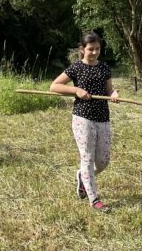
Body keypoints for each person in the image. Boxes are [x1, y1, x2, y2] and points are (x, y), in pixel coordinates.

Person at [49, 31, 118, 212]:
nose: (94, 52)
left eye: (97, 49)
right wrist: (76, 90)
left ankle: (82, 177)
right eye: (90, 49)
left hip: (103, 117)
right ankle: (94, 199)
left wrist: (114, 94)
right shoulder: (76, 68)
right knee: (86, 158)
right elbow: (54, 86)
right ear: (82, 49)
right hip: (82, 118)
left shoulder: (104, 68)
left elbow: (109, 90)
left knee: (102, 161)